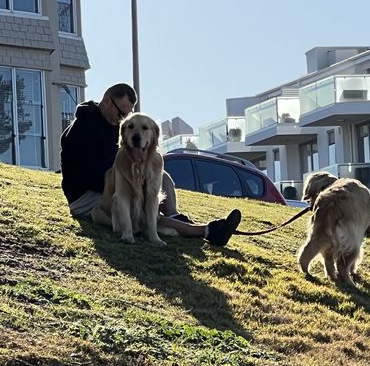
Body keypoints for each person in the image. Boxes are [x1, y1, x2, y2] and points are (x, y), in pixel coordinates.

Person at [60, 83, 241, 246]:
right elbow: (93, 174)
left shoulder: (112, 123)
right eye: (121, 113)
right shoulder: (84, 128)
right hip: (86, 197)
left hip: (108, 185)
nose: (123, 119)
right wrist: (135, 187)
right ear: (107, 102)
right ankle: (208, 231)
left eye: (127, 114)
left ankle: (175, 216)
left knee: (163, 178)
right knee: (143, 211)